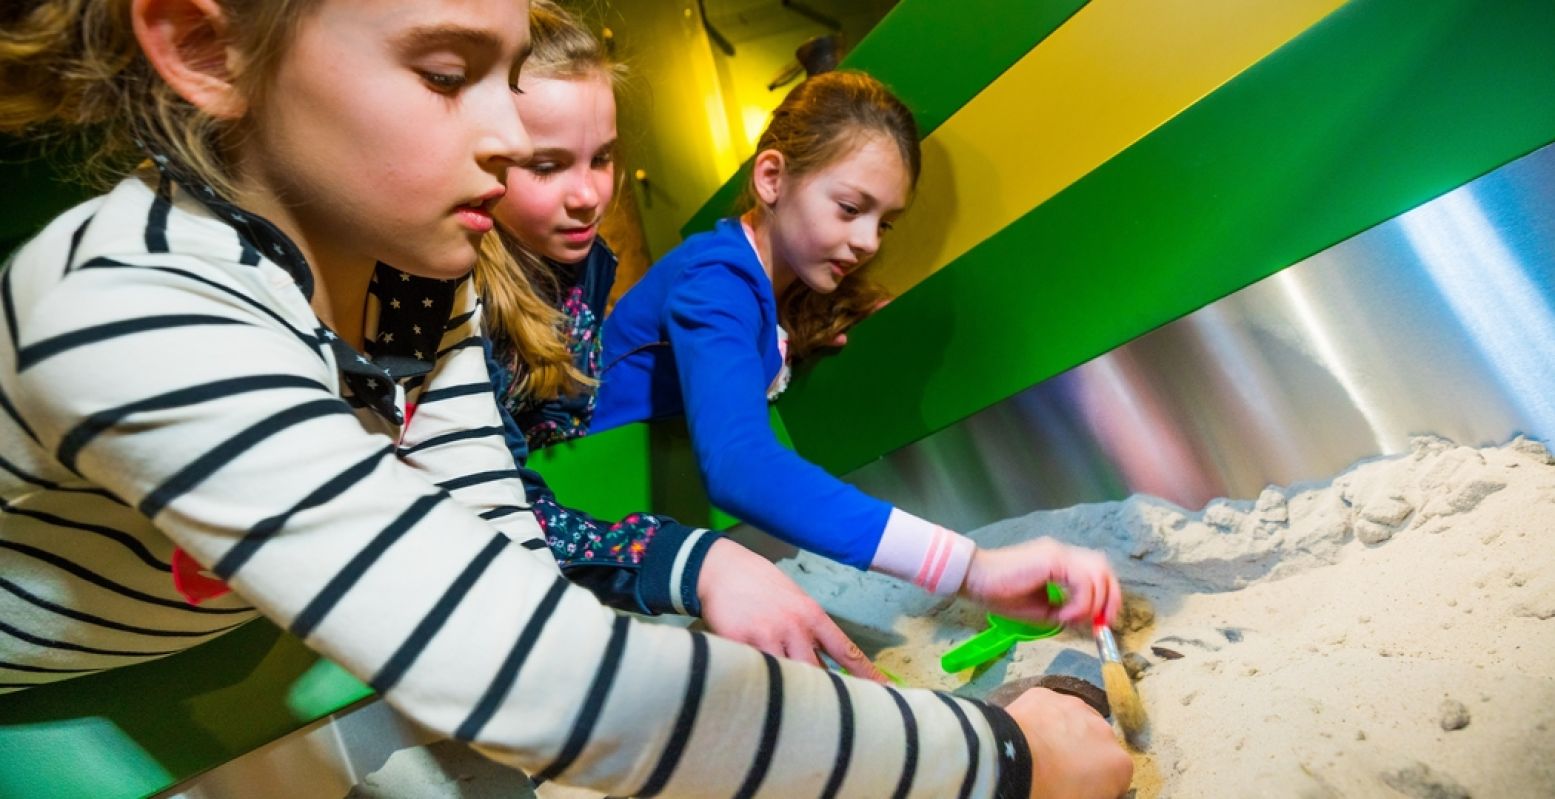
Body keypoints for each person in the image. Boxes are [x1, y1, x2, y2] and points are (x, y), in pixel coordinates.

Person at [0, 2, 1132, 797]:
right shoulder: (121, 301)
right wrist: (1002, 757)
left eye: (504, 80)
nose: (503, 140)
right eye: (446, 76)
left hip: (200, 638)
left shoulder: (415, 287)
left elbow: (508, 567)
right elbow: (547, 685)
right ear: (205, 47)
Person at [597, 69, 1124, 630]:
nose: (868, 241)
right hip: (594, 523)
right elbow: (738, 465)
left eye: (885, 224)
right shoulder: (714, 280)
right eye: (850, 208)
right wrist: (971, 569)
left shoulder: (769, 285)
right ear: (772, 177)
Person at [477, 0, 884, 675]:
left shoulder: (572, 267)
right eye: (546, 166)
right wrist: (681, 561)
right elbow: (495, 500)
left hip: (606, 543)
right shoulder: (465, 307)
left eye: (602, 157)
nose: (588, 195)